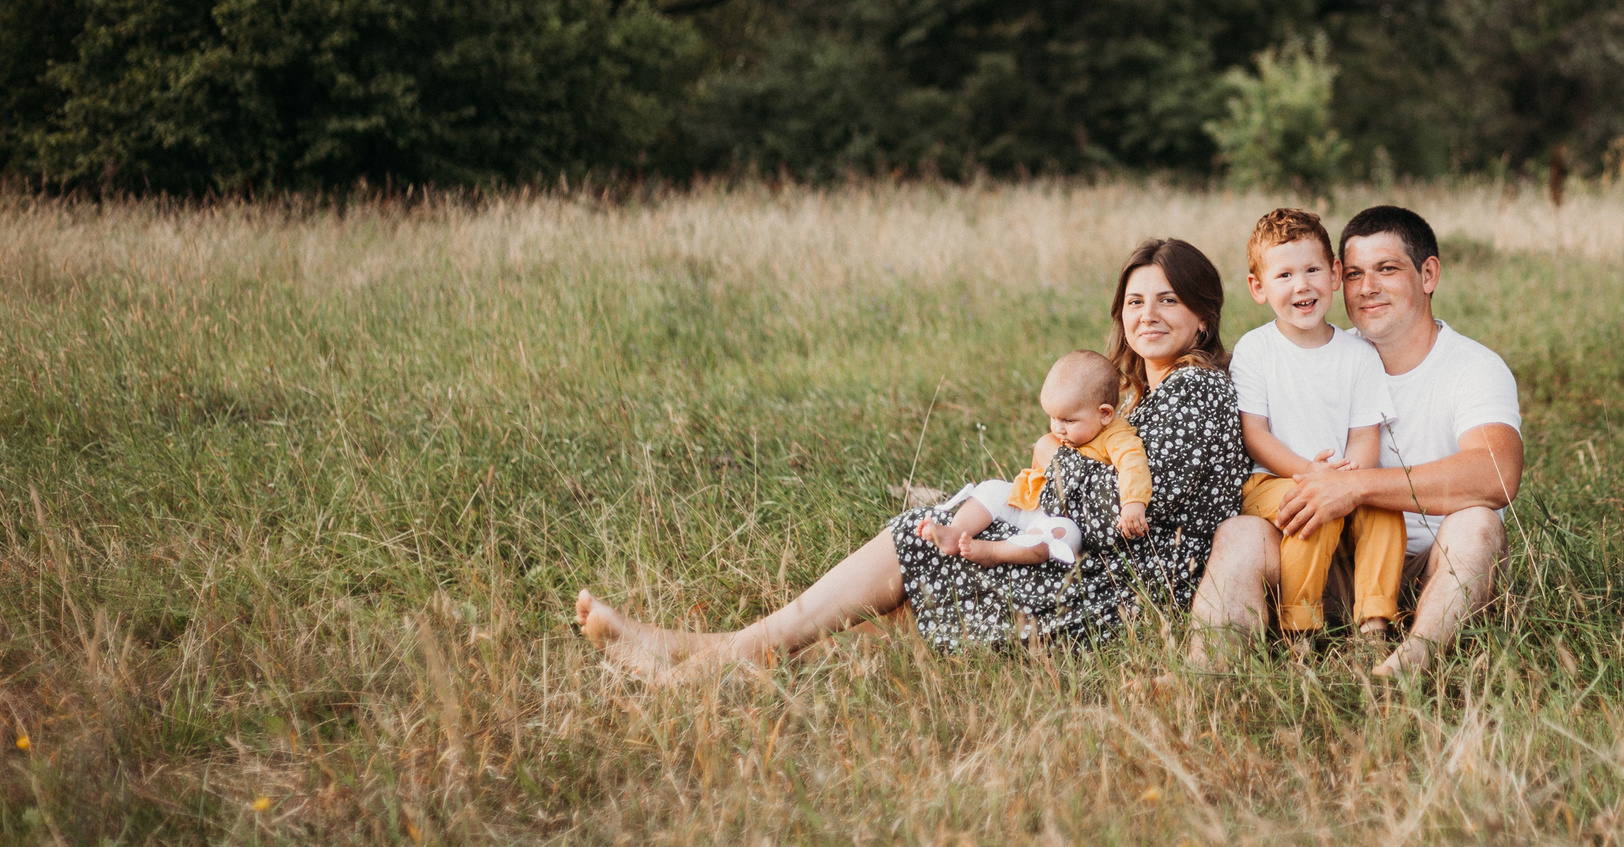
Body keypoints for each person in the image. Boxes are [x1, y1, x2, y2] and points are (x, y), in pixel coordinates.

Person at [575, 239, 1247, 676]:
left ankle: (707, 659)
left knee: (918, 543)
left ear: (1203, 316)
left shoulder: (1195, 390)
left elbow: (1123, 515)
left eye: (1167, 298)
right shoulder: (1145, 393)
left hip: (1130, 593)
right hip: (1101, 570)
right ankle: (706, 659)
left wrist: (1050, 455)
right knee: (928, 550)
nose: (1147, 312)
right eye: (1135, 299)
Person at [1191, 204, 1524, 677]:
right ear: (1338, 279)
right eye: (1355, 273)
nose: (1367, 287)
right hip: (1322, 559)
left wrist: (1356, 486)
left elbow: (1496, 474)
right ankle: (1208, 674)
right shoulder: (1326, 350)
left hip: (1429, 573)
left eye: (1387, 269)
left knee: (1477, 524)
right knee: (1241, 533)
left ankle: (1408, 665)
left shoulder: (1473, 367)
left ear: (1428, 274)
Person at [1230, 207, 1405, 642]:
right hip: (1272, 480)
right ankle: (1299, 629)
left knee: (1387, 511)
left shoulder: (1359, 355)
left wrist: (1345, 481)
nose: (1302, 285)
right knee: (1312, 511)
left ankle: (1374, 622)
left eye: (1312, 270)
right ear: (1258, 287)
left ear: (1334, 274)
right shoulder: (1256, 350)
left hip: (1342, 478)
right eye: (1284, 275)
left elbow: (1365, 437)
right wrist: (1312, 476)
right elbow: (1256, 435)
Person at [919, 349, 1150, 566]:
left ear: (1105, 414)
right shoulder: (1074, 433)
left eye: (1069, 421)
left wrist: (1133, 503)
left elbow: (1133, 463)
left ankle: (994, 552)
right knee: (992, 489)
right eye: (1053, 418)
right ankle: (955, 531)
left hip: (1063, 519)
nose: (1058, 429)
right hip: (1033, 506)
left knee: (1059, 536)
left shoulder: (1116, 436)